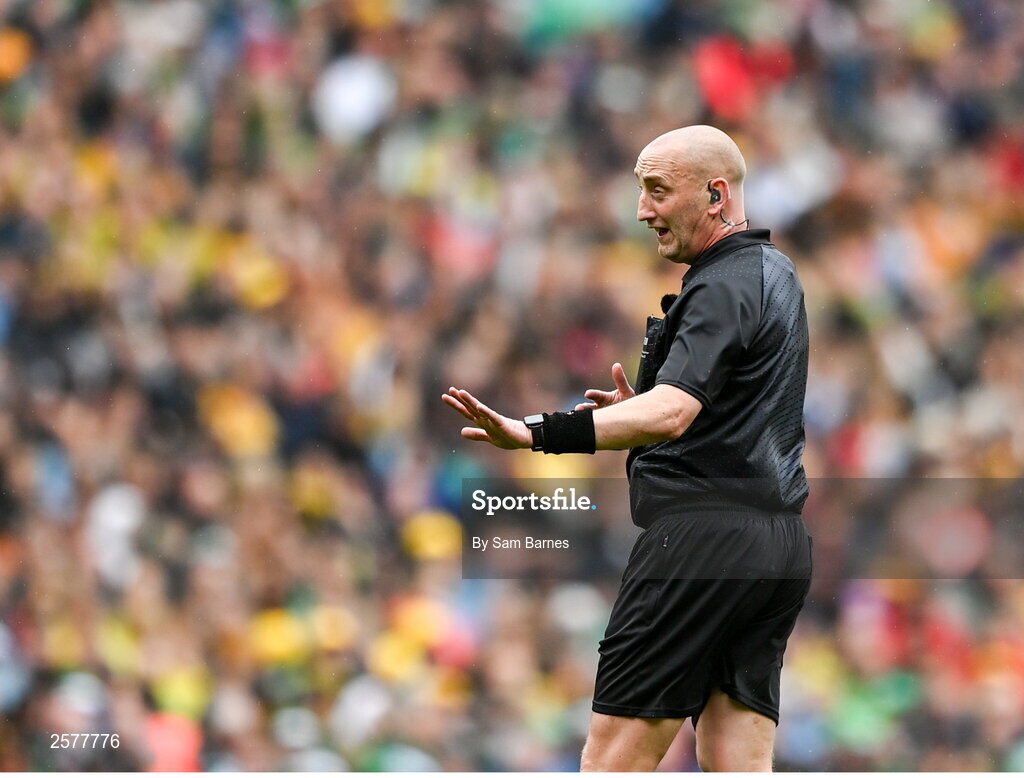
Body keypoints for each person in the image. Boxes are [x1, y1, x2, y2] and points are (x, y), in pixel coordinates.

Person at [442, 125, 811, 772]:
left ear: (717, 196)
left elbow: (672, 413)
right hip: (776, 547)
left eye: (658, 191)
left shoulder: (721, 282)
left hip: (700, 544)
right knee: (740, 765)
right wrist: (635, 416)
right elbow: (730, 411)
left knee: (612, 763)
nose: (643, 211)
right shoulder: (775, 274)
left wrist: (537, 434)